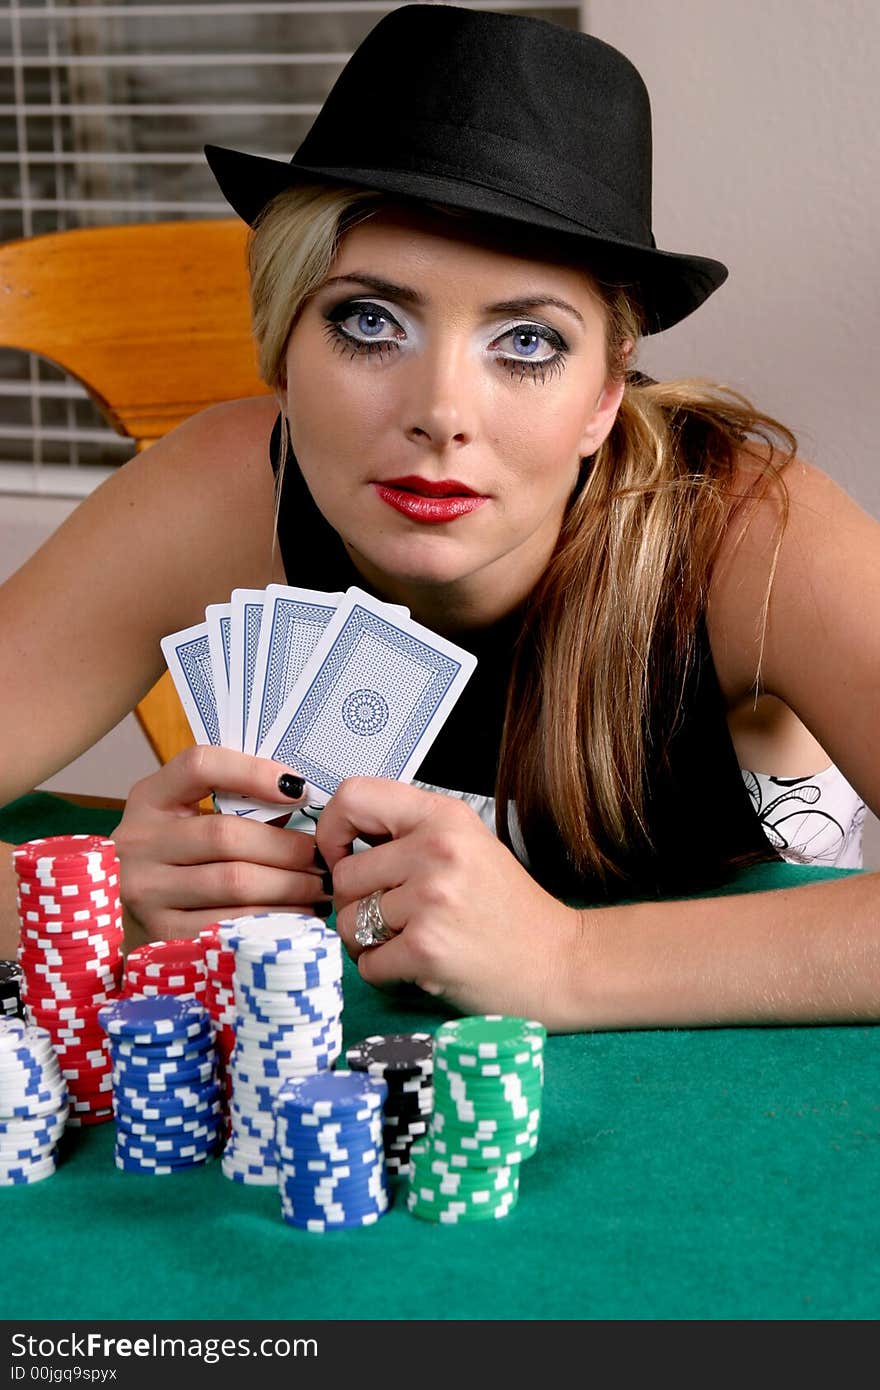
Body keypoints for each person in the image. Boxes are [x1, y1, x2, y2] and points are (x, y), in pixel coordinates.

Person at [0, 4, 877, 1030]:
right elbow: (73, 907)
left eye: (528, 343)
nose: (441, 415)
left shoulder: (749, 534)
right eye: (370, 323)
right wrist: (74, 900)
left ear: (606, 394)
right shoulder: (225, 486)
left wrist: (570, 961)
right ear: (283, 348)